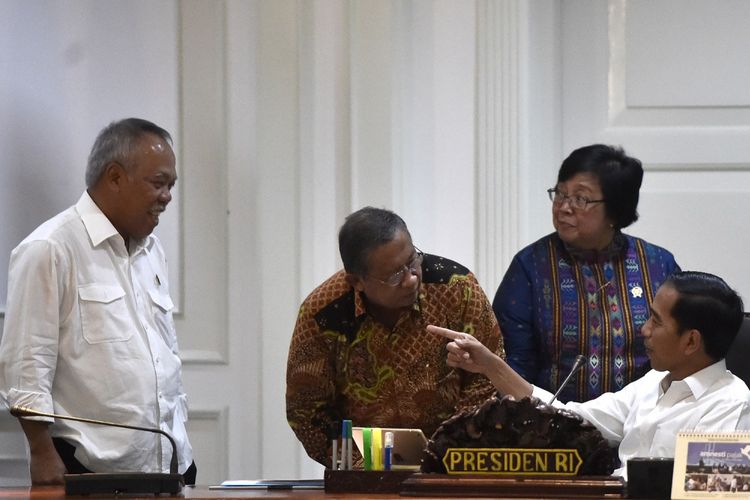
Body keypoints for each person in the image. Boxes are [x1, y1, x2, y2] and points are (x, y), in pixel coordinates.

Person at [0, 118, 195, 485]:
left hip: (168, 464)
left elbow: (163, 352)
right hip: (89, 470)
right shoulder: (49, 249)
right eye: (158, 183)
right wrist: (42, 454)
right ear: (115, 177)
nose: (167, 197)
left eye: (171, 186)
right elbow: (26, 366)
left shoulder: (152, 250)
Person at [431, 271, 750, 477]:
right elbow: (563, 419)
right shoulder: (652, 384)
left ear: (691, 341)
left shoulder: (732, 404)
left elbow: (711, 492)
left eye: (656, 321)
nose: (645, 330)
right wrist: (490, 366)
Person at [286, 207, 505, 466]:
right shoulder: (323, 314)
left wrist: (446, 454)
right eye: (394, 275)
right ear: (357, 281)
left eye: (413, 260)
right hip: (362, 472)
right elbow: (307, 410)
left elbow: (488, 375)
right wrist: (362, 465)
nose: (411, 279)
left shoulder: (457, 288)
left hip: (454, 463)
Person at [493, 144, 680, 402]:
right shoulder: (531, 266)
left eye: (580, 198)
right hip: (554, 427)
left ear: (614, 209)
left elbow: (680, 354)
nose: (564, 207)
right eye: (560, 193)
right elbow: (513, 361)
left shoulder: (658, 266)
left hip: (643, 423)